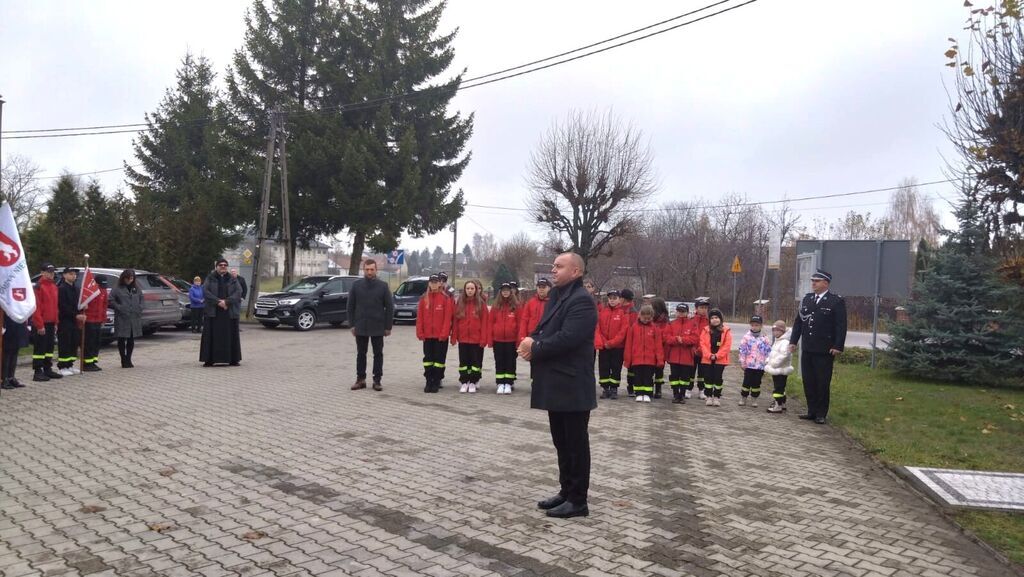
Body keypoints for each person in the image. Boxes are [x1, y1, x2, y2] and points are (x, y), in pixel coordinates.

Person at [518, 252, 597, 519]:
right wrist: (531, 340)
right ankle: (565, 491)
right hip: (556, 382)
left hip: (573, 384)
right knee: (561, 442)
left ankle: (578, 501)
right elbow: (546, 329)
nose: (553, 270)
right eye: (553, 266)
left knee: (576, 443)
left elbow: (568, 338)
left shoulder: (582, 301)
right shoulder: (557, 296)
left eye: (559, 266)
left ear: (575, 272)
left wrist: (536, 347)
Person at [789, 269, 847, 424]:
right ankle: (811, 410)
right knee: (808, 380)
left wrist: (838, 345)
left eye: (817, 281)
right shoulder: (807, 299)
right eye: (812, 280)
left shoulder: (835, 301)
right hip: (807, 348)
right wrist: (793, 341)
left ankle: (821, 413)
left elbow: (841, 326)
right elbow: (798, 322)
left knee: (822, 381)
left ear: (826, 283)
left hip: (824, 349)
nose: (813, 283)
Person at [347, 258, 394, 391]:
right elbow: (350, 306)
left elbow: (389, 308)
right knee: (361, 353)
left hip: (378, 326)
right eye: (367, 270)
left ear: (376, 270)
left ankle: (377, 380)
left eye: (372, 269)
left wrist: (388, 327)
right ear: (364, 270)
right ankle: (360, 379)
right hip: (360, 325)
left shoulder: (383, 286)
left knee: (378, 354)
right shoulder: (356, 285)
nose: (369, 272)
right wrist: (352, 325)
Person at [200, 259, 242, 367]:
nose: (223, 266)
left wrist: (227, 301)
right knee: (211, 336)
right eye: (220, 265)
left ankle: (233, 359)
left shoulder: (232, 279)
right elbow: (205, 292)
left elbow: (238, 292)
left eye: (225, 265)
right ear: (216, 266)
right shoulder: (210, 278)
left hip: (229, 312)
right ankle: (209, 360)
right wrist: (218, 302)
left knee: (231, 336)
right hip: (213, 312)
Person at [451, 279, 489, 393]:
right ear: (465, 290)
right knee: (464, 362)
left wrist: (483, 339)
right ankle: (464, 381)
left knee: (475, 363)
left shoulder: (481, 304)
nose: (470, 290)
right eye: (468, 288)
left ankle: (473, 381)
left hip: (476, 340)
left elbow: (485, 323)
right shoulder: (460, 303)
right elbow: (456, 321)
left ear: (476, 290)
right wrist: (454, 336)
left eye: (472, 288)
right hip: (463, 339)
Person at [416, 274, 453, 393]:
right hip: (427, 336)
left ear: (440, 283)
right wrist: (420, 332)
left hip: (440, 337)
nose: (434, 284)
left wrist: (444, 333)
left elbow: (447, 319)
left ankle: (436, 381)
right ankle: (428, 380)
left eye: (436, 282)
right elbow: (420, 318)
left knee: (439, 360)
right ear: (429, 284)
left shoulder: (446, 299)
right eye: (431, 282)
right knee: (428, 359)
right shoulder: (423, 299)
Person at [624, 304, 664, 403]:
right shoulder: (633, 327)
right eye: (644, 318)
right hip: (636, 359)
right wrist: (627, 360)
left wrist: (659, 360)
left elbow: (658, 345)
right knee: (638, 377)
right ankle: (638, 393)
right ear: (640, 315)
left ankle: (647, 394)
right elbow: (629, 344)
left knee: (648, 377)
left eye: (648, 318)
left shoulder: (655, 329)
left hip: (650, 360)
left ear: (652, 317)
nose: (646, 320)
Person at [595, 290, 629, 400]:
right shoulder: (603, 312)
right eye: (610, 298)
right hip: (604, 347)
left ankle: (614, 389)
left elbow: (623, 332)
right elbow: (598, 329)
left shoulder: (623, 313)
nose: (612, 300)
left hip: (617, 347)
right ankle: (605, 389)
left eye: (615, 298)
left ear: (619, 299)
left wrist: (612, 343)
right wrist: (604, 342)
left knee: (615, 368)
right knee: (604, 368)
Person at [30, 263, 62, 382]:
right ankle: (38, 371)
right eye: (49, 271)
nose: (51, 274)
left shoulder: (54, 286)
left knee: (49, 348)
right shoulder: (39, 286)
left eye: (53, 272)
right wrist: (39, 324)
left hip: (51, 322)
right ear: (42, 272)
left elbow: (55, 306)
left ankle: (47, 369)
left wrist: (56, 322)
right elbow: (36, 307)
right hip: (41, 323)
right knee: (40, 349)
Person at [664, 303, 700, 404]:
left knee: (685, 378)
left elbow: (695, 339)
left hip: (687, 356)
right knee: (674, 377)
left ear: (687, 313)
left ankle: (682, 395)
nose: (681, 313)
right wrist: (676, 339)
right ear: (676, 312)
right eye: (679, 311)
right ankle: (676, 394)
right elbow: (667, 338)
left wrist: (682, 340)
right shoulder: (671, 324)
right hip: (674, 356)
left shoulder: (692, 324)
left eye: (683, 312)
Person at [489, 282, 520, 395]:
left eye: (507, 290)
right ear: (500, 292)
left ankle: (508, 383)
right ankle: (500, 383)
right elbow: (490, 322)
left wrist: (519, 341)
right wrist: (490, 339)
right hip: (498, 340)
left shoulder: (516, 306)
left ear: (511, 292)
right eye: (503, 290)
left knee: (510, 362)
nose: (505, 292)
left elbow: (520, 324)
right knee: (499, 361)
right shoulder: (496, 306)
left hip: (511, 340)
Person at [110, 268, 144, 368]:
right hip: (122, 317)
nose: (130, 280)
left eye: (132, 278)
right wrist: (119, 307)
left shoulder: (136, 288)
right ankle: (123, 359)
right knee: (121, 338)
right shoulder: (117, 288)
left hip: (134, 317)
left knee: (131, 339)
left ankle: (129, 359)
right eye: (128, 278)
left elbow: (141, 299)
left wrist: (140, 307)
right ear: (123, 278)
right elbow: (111, 300)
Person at [699, 309, 732, 407]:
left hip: (720, 360)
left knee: (718, 378)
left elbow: (727, 346)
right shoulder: (705, 330)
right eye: (712, 318)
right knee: (708, 378)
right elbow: (702, 344)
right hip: (707, 359)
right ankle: (708, 396)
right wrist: (709, 355)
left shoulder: (726, 331)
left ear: (720, 319)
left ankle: (717, 397)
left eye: (716, 318)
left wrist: (717, 356)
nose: (714, 320)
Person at [56, 267, 85, 376]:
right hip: (65, 320)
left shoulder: (77, 288)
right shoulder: (62, 288)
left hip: (75, 321)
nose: (74, 276)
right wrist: (75, 315)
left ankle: (70, 364)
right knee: (65, 343)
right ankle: (62, 366)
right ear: (64, 275)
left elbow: (78, 303)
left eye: (75, 274)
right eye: (71, 274)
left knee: (74, 342)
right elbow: (62, 306)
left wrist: (83, 308)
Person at [738, 315, 772, 407]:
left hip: (760, 366)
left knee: (756, 383)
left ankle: (754, 399)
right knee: (747, 382)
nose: (754, 327)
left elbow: (768, 351)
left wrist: (767, 363)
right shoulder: (746, 337)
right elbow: (742, 350)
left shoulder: (765, 338)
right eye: (752, 325)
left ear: (761, 326)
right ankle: (743, 398)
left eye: (756, 325)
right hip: (749, 365)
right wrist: (742, 362)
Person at [765, 320, 794, 413]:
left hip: (781, 369)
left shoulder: (785, 342)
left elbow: (784, 355)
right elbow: (773, 353)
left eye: (778, 330)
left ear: (783, 331)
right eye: (774, 330)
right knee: (781, 386)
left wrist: (773, 364)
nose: (775, 332)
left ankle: (778, 405)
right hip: (777, 369)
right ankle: (782, 402)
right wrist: (768, 361)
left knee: (778, 387)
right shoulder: (778, 341)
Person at [81, 277, 109, 372]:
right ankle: (86, 363)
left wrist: (104, 318)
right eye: (101, 285)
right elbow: (82, 304)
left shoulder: (104, 291)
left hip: (98, 320)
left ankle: (93, 361)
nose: (102, 287)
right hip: (89, 320)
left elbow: (105, 305)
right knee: (89, 342)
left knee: (96, 342)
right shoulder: (90, 291)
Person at [2, 314, 30, 390]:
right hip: (8, 324)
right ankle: (4, 379)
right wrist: (3, 325)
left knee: (15, 351)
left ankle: (11, 377)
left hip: (18, 322)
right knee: (7, 353)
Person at [518, 277, 551, 342]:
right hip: (531, 336)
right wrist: (522, 337)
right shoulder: (530, 302)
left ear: (549, 288)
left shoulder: (553, 303)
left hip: (546, 337)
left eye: (544, 287)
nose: (541, 289)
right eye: (539, 287)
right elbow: (524, 320)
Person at [650, 297, 670, 399]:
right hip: (650, 349)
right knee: (649, 370)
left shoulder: (665, 321)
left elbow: (665, 336)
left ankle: (658, 389)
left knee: (659, 370)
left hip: (661, 350)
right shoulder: (649, 319)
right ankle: (649, 388)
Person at [619, 288, 638, 396]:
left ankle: (631, 386)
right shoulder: (620, 309)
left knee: (631, 367)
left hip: (629, 343)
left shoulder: (633, 312)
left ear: (624, 299)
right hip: (619, 343)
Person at [692, 297, 711, 399]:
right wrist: (693, 348)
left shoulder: (709, 322)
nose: (704, 309)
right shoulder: (691, 320)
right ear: (696, 308)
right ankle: (688, 389)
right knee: (691, 371)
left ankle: (701, 390)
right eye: (701, 307)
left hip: (704, 352)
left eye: (705, 308)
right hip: (692, 351)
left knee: (702, 373)